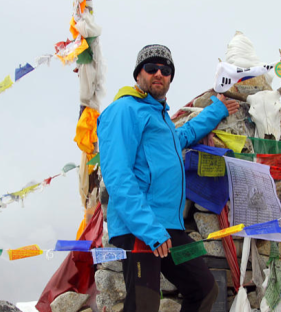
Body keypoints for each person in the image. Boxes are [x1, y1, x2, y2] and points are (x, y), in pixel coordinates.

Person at [97, 44, 239, 312]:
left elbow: (182, 136)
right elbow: (117, 176)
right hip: (140, 227)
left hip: (169, 227)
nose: (158, 74)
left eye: (165, 70)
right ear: (138, 74)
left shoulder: (159, 118)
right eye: (151, 68)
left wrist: (216, 111)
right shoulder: (124, 110)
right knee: (144, 306)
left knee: (205, 290)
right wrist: (149, 229)